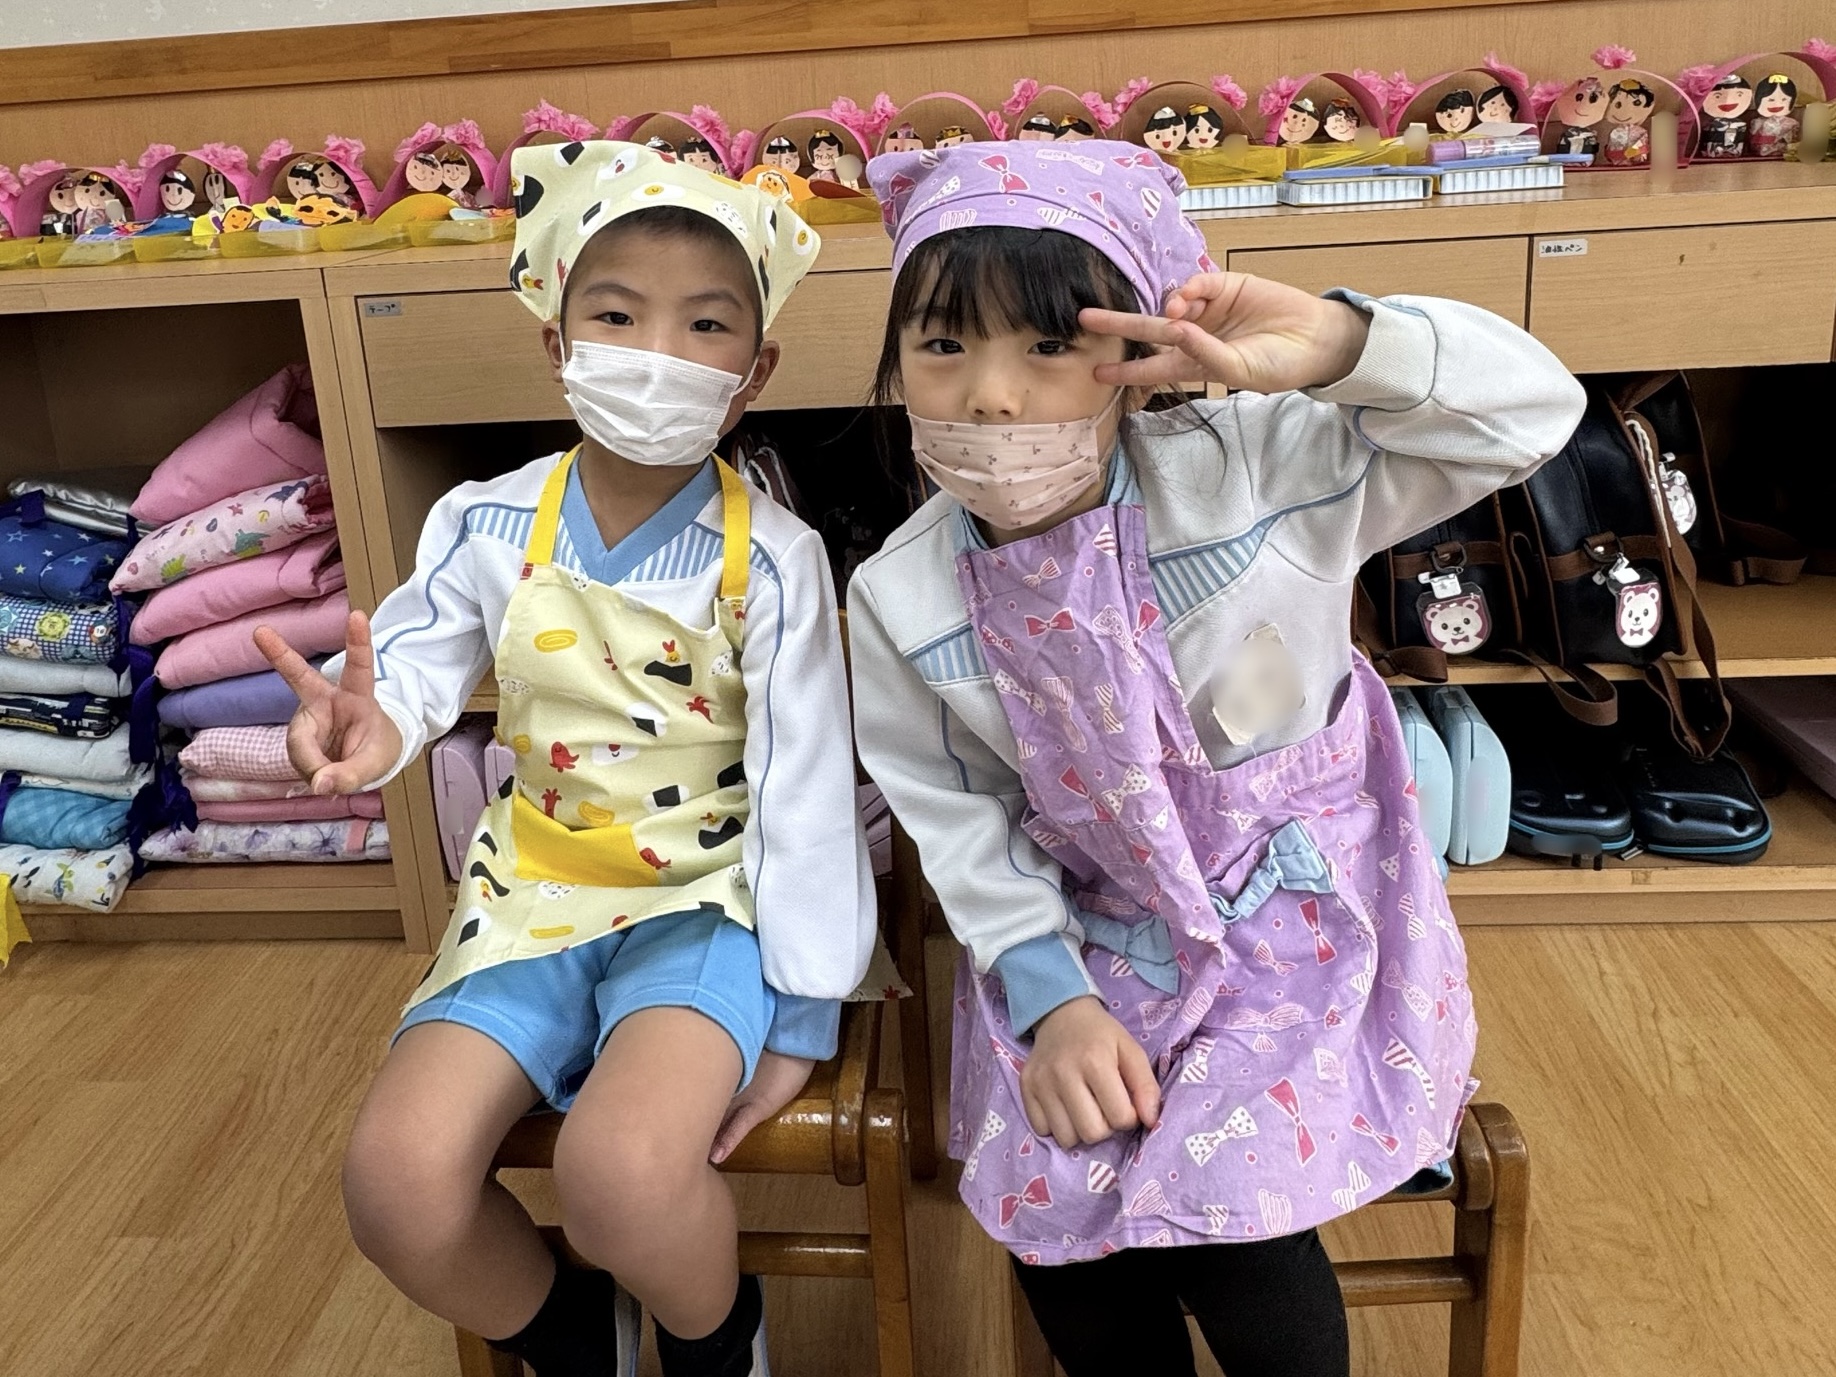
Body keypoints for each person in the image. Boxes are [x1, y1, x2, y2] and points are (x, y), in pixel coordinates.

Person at [850, 140, 1585, 1377]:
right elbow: (961, 815)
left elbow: (1533, 412)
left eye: (1049, 344)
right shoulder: (897, 595)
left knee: (1230, 1222)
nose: (991, 397)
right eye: (943, 343)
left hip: (1297, 923)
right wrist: (1055, 999)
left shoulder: (1256, 468)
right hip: (1089, 934)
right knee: (1063, 1216)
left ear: (1140, 357)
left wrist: (1343, 347)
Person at [257, 140, 874, 1377]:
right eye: (617, 315)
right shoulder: (483, 519)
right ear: (557, 342)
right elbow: (411, 674)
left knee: (621, 1176)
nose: (656, 353)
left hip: (709, 903)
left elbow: (807, 790)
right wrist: (370, 729)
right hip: (528, 896)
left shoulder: (779, 559)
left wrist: (806, 1013)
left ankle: (717, 1342)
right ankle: (588, 1344)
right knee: (395, 1184)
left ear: (753, 376)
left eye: (705, 325)